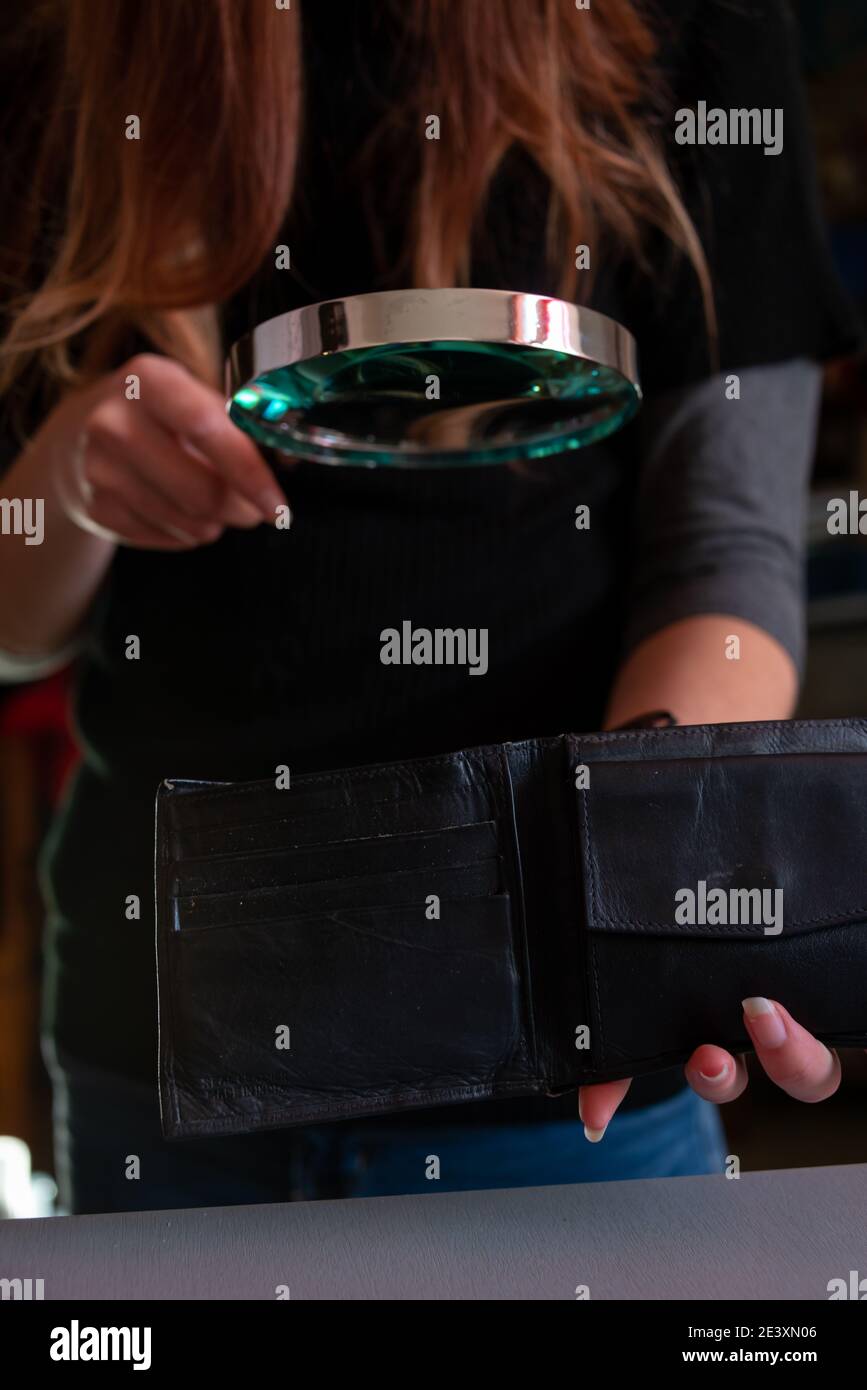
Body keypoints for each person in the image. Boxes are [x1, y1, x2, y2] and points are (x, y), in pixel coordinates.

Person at [0, 0, 861, 1214]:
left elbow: (723, 550)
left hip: (566, 1072)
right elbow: (9, 621)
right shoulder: (67, 32)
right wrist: (70, 480)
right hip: (166, 1057)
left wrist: (650, 887)